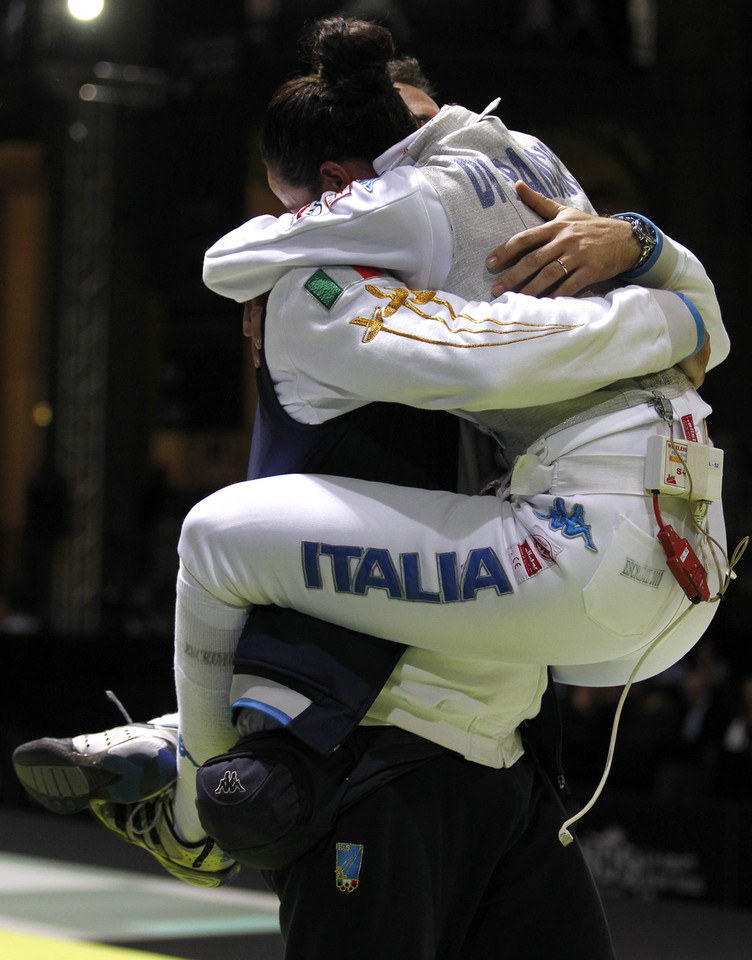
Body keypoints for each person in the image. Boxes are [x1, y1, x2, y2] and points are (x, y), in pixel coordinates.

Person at [12, 20, 730, 959]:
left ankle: (191, 780)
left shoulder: (413, 222)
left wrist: (654, 287)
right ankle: (196, 739)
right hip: (614, 618)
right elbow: (673, 333)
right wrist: (665, 287)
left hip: (556, 608)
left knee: (214, 538)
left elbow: (486, 359)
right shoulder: (523, 186)